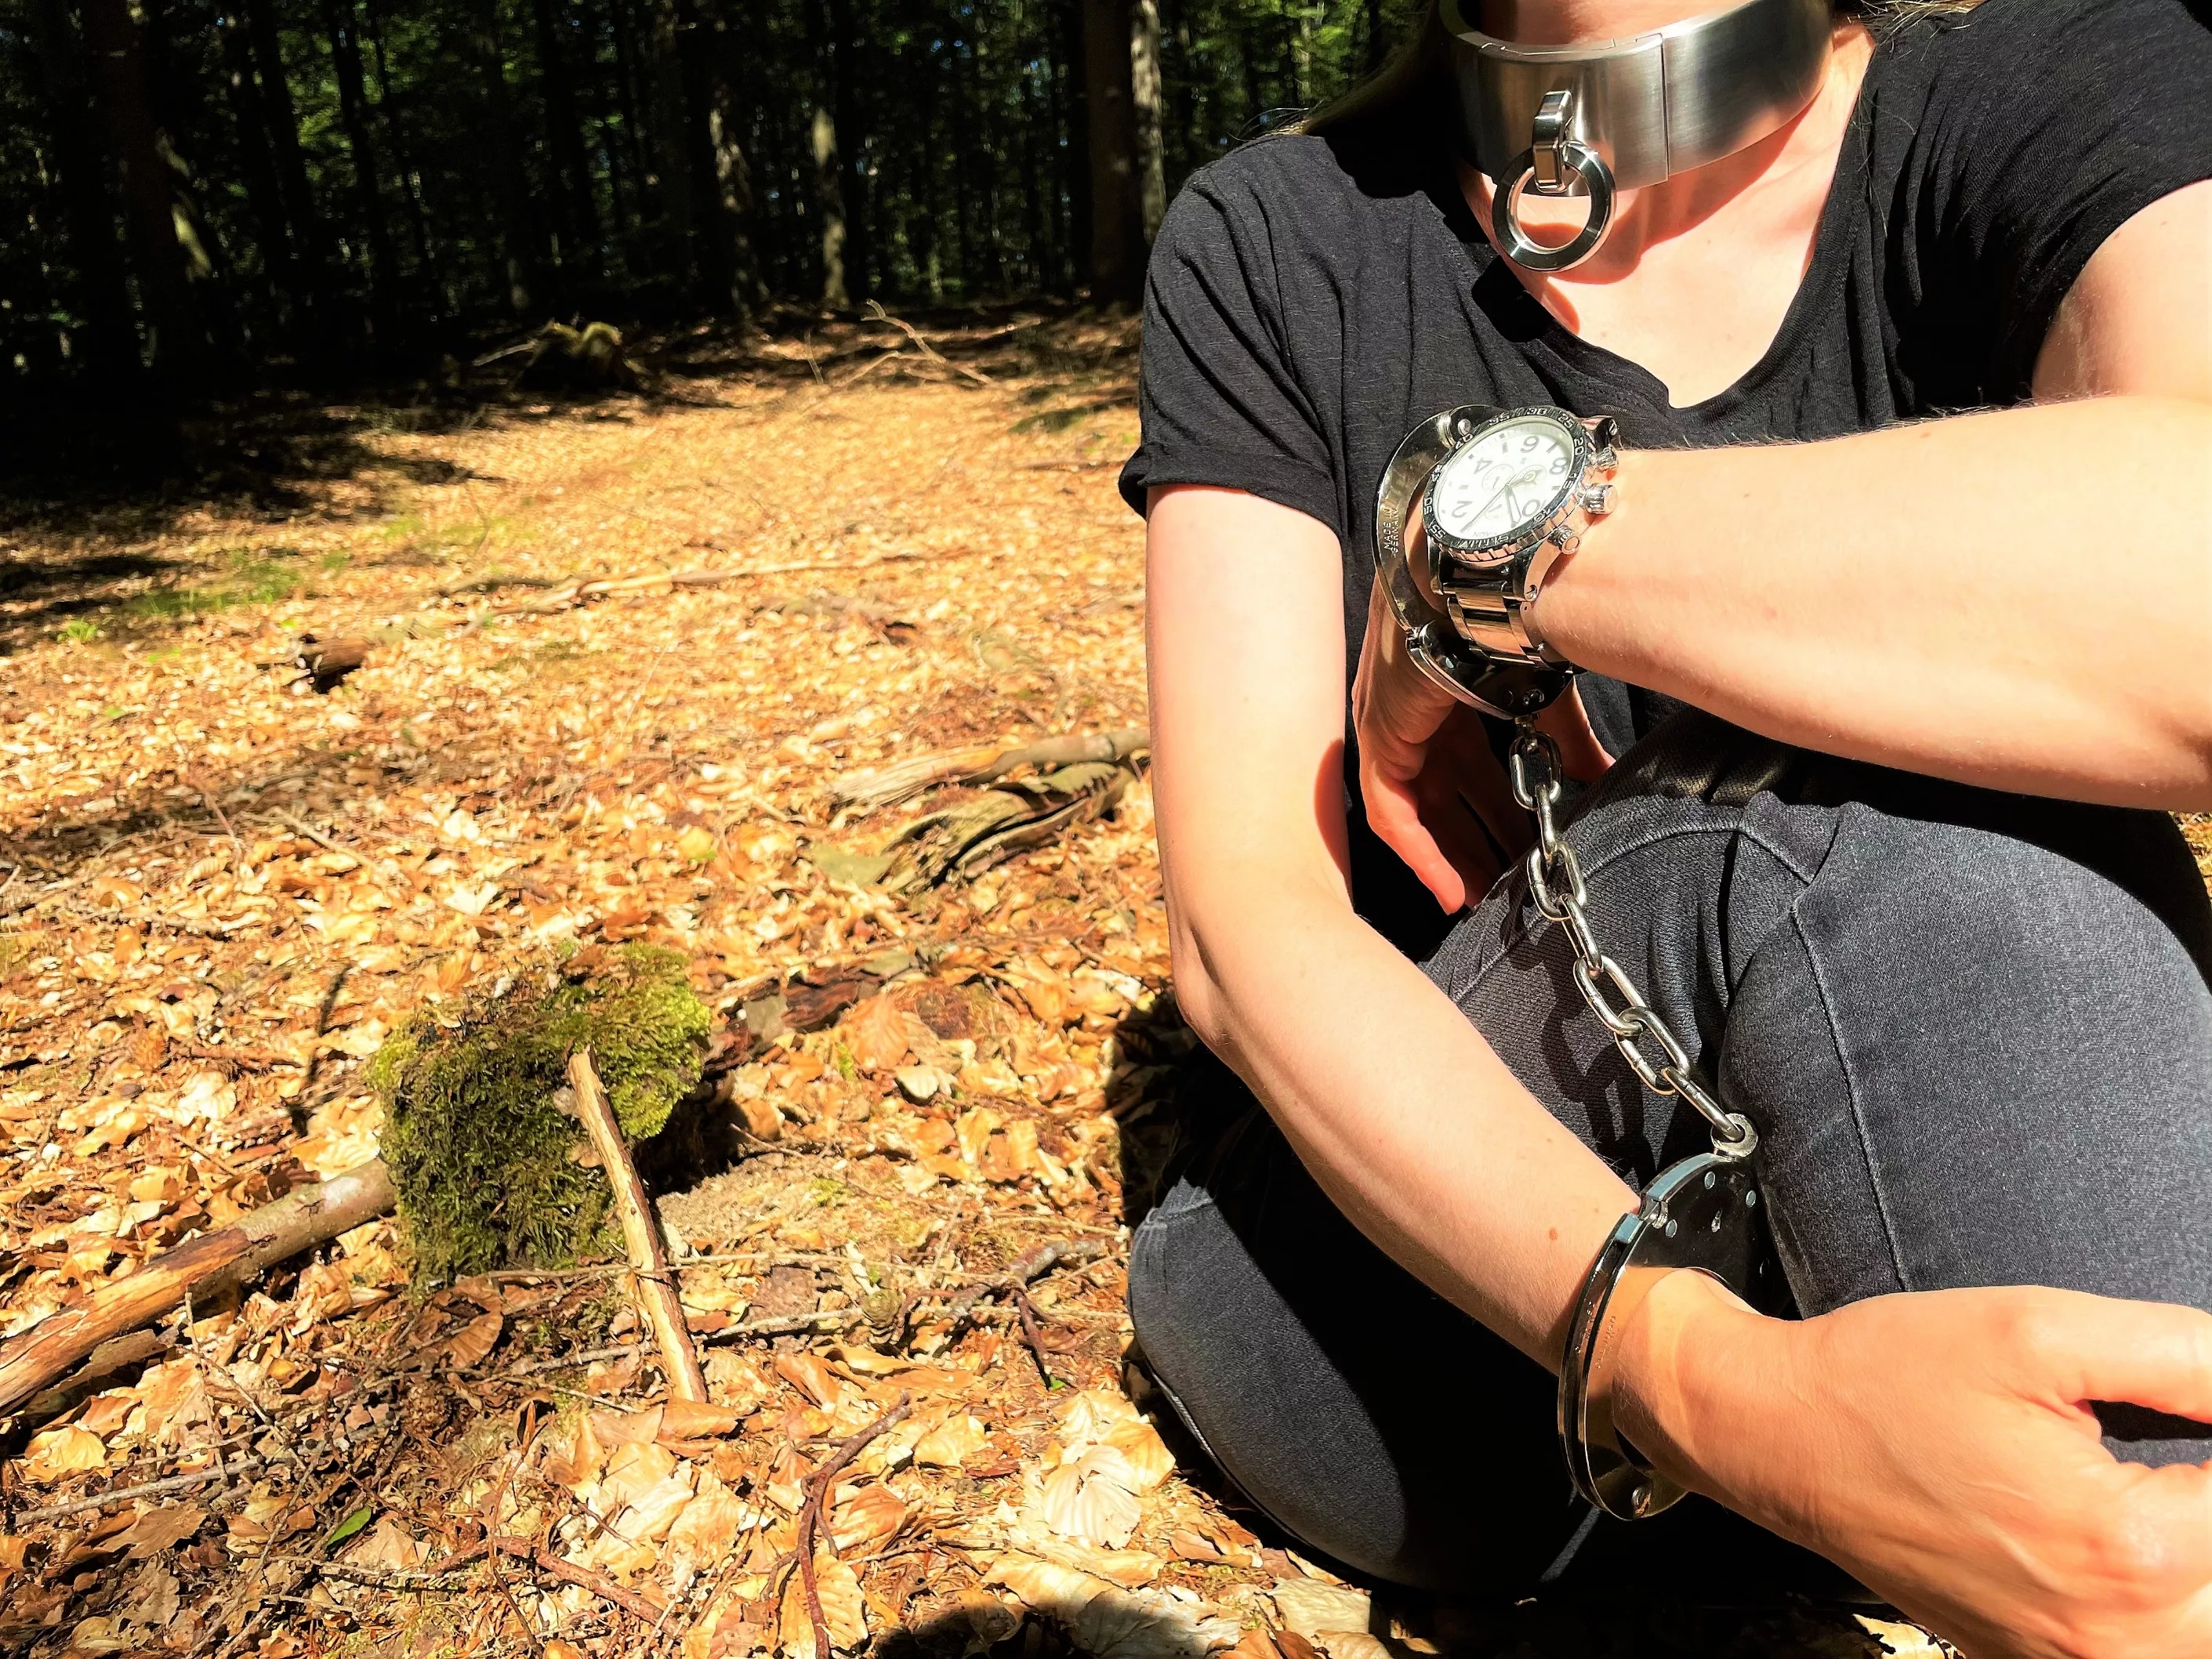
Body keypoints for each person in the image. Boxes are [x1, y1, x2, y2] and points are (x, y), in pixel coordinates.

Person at [1119, 0, 2212, 1651]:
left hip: (1991, 1170)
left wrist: (1500, 546)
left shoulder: (2059, 87)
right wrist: (1699, 1376)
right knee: (1833, 818)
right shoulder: (1281, 232)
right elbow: (1242, 924)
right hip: (1417, 1302)